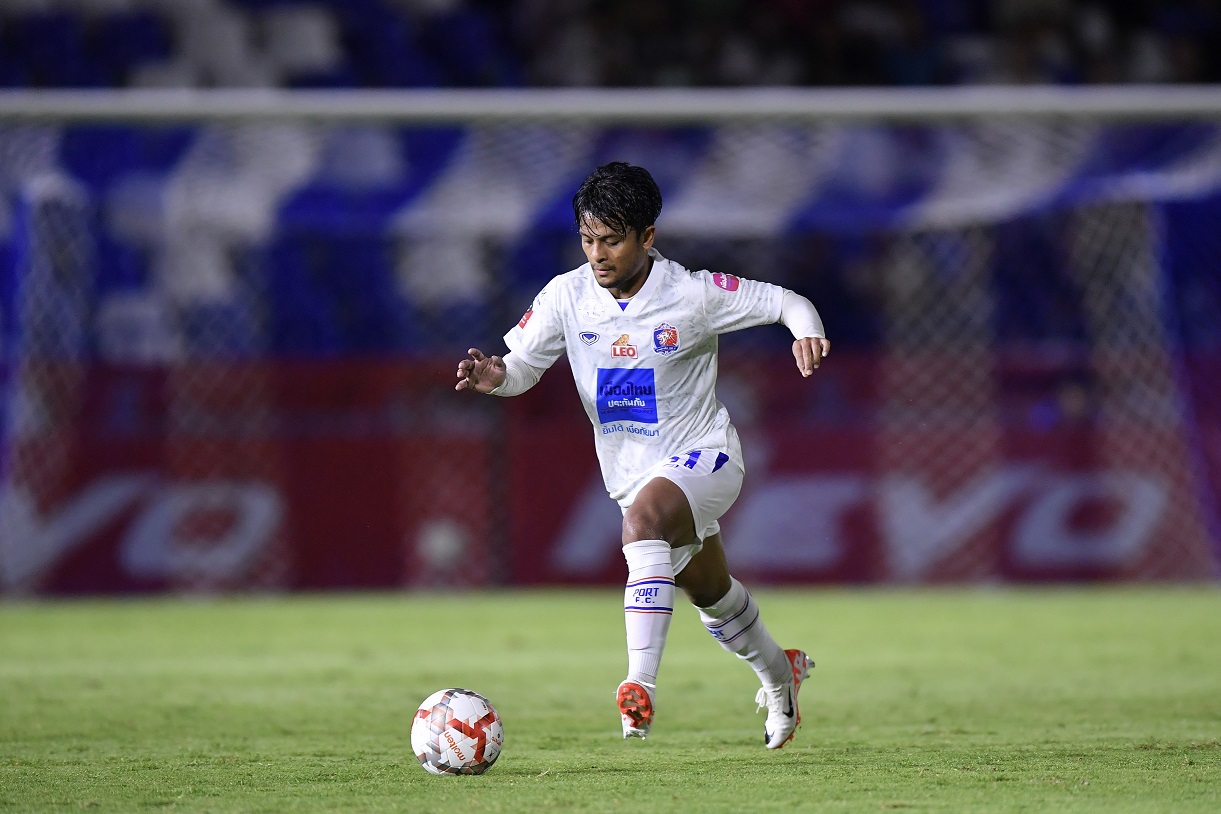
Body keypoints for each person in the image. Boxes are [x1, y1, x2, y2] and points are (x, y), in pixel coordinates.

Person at [454, 162, 830, 749]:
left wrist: (806, 331)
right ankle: (782, 676)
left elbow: (788, 301)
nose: (597, 255)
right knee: (712, 595)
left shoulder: (692, 293)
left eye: (612, 240)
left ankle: (639, 687)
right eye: (588, 239)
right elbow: (522, 367)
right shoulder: (567, 295)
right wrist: (493, 377)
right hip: (631, 475)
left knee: (642, 525)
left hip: (706, 456)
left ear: (647, 236)